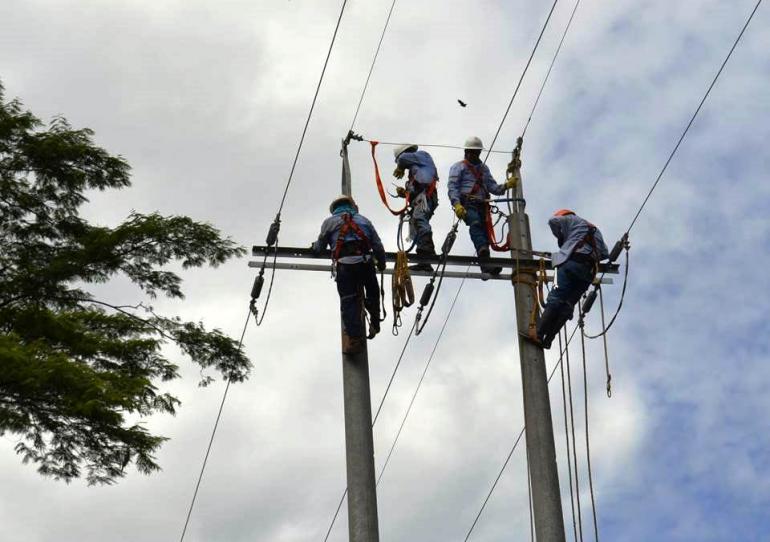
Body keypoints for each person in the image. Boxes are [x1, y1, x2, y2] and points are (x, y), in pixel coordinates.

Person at [312, 195, 387, 353]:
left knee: (348, 301)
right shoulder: (364, 220)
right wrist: (381, 262)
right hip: (366, 262)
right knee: (373, 292)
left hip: (345, 265)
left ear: (334, 209)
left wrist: (315, 247)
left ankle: (354, 340)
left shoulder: (329, 222)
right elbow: (377, 245)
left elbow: (319, 249)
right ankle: (375, 321)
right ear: (352, 206)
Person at [531, 209, 610, 349]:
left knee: (556, 299)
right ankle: (548, 339)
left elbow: (552, 221)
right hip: (588, 273)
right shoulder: (596, 231)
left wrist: (561, 236)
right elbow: (604, 253)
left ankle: (538, 334)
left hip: (572, 264)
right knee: (567, 305)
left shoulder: (572, 219)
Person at [447, 136, 516, 277]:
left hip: (482, 205)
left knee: (484, 235)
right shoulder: (458, 167)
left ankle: (486, 266)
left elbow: (492, 187)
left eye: (477, 153)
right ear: (466, 152)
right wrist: (457, 204)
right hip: (467, 204)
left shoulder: (483, 168)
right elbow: (452, 187)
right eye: (473, 152)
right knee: (475, 223)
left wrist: (506, 186)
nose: (475, 155)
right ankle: (483, 254)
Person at [392, 143, 439, 272]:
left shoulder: (422, 156)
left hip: (426, 197)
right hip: (421, 199)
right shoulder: (416, 170)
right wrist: (405, 193)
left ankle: (426, 252)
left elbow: (402, 159)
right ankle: (424, 261)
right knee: (416, 224)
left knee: (419, 219)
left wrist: (400, 166)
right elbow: (414, 191)